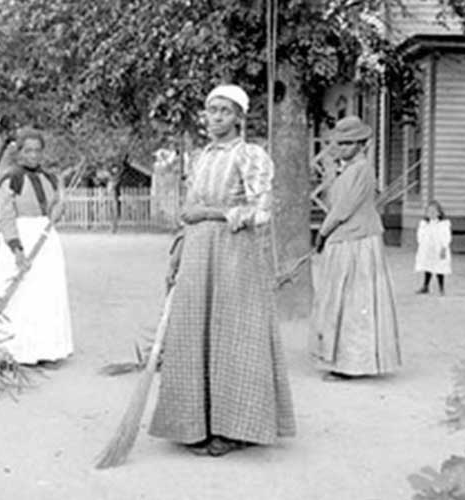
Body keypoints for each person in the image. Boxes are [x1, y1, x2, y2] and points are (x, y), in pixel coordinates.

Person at [148, 84, 296, 456]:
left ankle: (235, 429)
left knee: (233, 336)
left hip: (234, 253)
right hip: (198, 253)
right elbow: (190, 210)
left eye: (224, 111)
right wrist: (179, 251)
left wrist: (212, 215)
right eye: (211, 110)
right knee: (195, 333)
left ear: (239, 117)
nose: (215, 118)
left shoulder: (250, 155)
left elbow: (263, 211)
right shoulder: (201, 157)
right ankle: (196, 422)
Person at [310, 115, 402, 381]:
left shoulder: (360, 170)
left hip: (357, 241)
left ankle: (352, 363)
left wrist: (323, 232)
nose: (342, 148)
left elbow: (342, 209)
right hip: (346, 239)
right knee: (342, 299)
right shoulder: (348, 170)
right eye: (339, 143)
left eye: (349, 143)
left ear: (361, 144)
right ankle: (341, 359)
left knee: (353, 300)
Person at [0, 129, 73, 366]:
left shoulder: (50, 178)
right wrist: (17, 249)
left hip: (46, 240)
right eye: (28, 150)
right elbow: (5, 216)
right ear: (19, 152)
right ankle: (16, 352)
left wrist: (58, 209)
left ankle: (46, 350)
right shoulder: (10, 179)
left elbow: (53, 210)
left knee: (46, 292)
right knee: (22, 294)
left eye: (37, 150)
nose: (33, 155)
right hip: (20, 240)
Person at [415, 200, 451, 295]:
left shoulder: (443, 224)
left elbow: (446, 236)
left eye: (434, 212)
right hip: (428, 249)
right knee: (428, 267)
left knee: (440, 268)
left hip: (438, 248)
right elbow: (420, 235)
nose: (431, 214)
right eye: (429, 212)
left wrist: (444, 247)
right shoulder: (424, 224)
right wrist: (421, 245)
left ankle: (441, 288)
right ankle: (425, 286)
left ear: (439, 213)